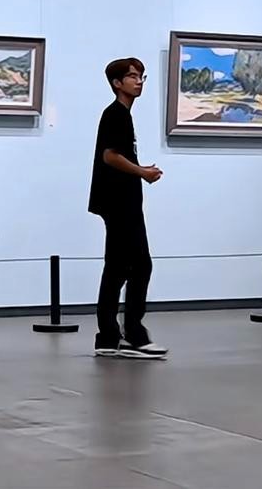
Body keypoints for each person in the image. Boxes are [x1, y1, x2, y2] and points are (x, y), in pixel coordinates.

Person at [88, 58, 167, 359]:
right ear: (117, 83)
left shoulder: (122, 115)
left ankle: (109, 337)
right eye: (132, 76)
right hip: (119, 202)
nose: (139, 81)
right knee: (141, 265)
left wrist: (139, 170)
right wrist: (141, 172)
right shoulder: (116, 115)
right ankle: (133, 334)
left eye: (141, 76)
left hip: (120, 201)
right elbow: (109, 156)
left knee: (117, 268)